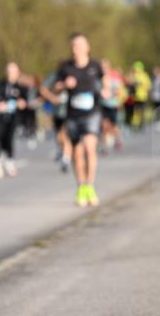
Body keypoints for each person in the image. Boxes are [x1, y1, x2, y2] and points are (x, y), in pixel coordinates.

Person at [53, 32, 107, 207]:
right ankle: (81, 187)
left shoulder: (95, 66)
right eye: (74, 46)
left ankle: (90, 185)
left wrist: (106, 91)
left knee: (90, 148)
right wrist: (63, 85)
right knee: (77, 152)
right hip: (73, 114)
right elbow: (56, 87)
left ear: (87, 48)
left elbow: (105, 83)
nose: (76, 49)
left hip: (92, 112)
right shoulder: (66, 67)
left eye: (80, 45)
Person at [0, 62, 26, 177]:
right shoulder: (1, 84)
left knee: (9, 137)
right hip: (1, 116)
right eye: (8, 71)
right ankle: (1, 157)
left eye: (12, 71)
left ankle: (10, 161)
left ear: (17, 72)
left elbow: (24, 103)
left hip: (15, 116)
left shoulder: (21, 86)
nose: (10, 74)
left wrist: (16, 104)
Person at [40, 69, 72, 173]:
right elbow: (43, 88)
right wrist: (52, 97)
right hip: (57, 112)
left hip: (70, 112)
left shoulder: (73, 75)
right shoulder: (54, 76)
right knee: (59, 137)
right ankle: (64, 153)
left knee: (65, 135)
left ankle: (66, 159)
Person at [99, 59, 125, 152]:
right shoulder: (98, 79)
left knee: (113, 126)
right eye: (101, 67)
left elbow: (119, 91)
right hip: (102, 106)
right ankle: (104, 146)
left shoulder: (114, 79)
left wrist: (111, 93)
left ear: (109, 68)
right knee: (104, 125)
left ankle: (118, 139)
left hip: (113, 105)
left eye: (105, 67)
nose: (103, 69)